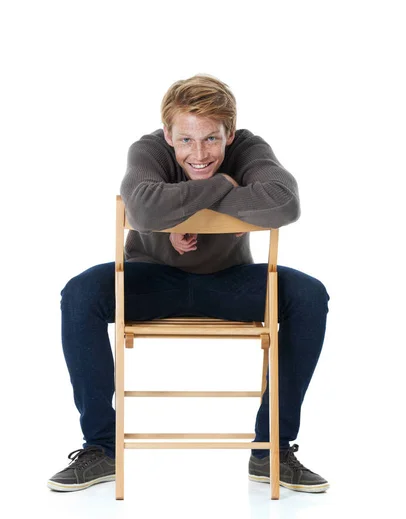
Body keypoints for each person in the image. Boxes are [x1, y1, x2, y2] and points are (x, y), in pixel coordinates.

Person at [48, 74, 330, 494]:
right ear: (168, 134)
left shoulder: (250, 148)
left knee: (309, 294)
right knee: (80, 292)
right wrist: (222, 191)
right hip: (151, 279)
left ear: (229, 134)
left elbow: (283, 201)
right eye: (185, 141)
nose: (199, 154)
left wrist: (179, 208)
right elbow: (142, 208)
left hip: (229, 282)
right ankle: (101, 449)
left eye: (212, 140)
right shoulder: (147, 150)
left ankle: (272, 450)